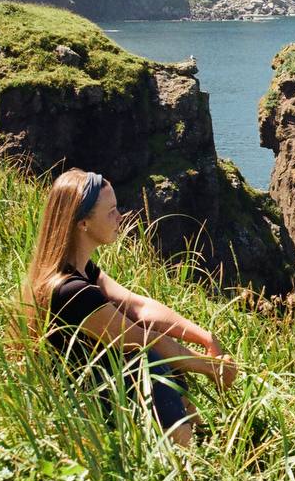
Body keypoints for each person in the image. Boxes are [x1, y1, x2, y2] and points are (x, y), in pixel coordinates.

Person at [19, 168, 238, 446]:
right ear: (83, 223)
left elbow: (139, 306)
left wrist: (205, 337)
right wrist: (211, 368)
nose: (120, 217)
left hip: (103, 388)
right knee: (154, 363)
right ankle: (182, 452)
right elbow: (143, 340)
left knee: (162, 363)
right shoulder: (72, 291)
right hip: (90, 407)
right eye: (111, 212)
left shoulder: (82, 271)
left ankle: (198, 442)